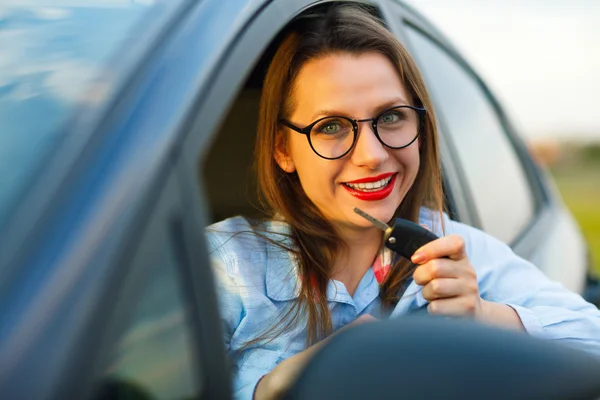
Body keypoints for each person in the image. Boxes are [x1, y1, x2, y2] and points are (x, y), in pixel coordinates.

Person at [205, 4, 600, 400]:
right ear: (283, 150)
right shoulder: (221, 263)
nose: (372, 155)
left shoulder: (454, 251)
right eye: (330, 126)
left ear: (420, 128)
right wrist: (273, 386)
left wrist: (483, 313)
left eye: (391, 116)